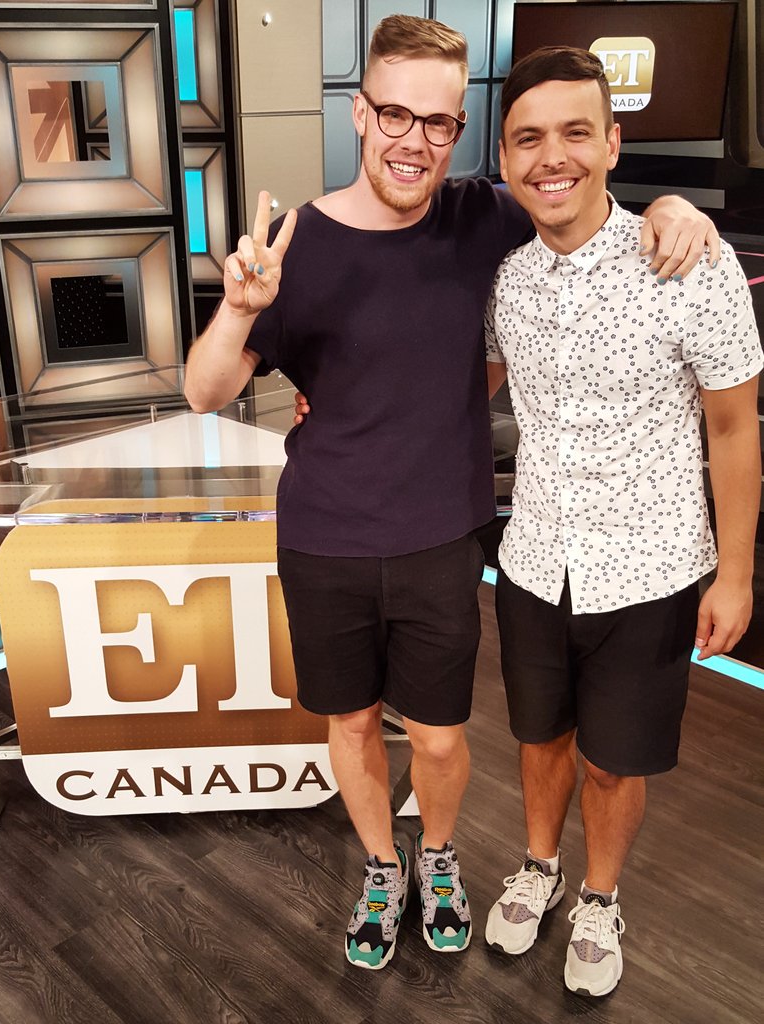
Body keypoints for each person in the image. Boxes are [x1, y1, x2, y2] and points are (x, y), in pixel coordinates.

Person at [185, 15, 720, 972]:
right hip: (323, 535)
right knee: (352, 723)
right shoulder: (294, 242)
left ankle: (437, 859)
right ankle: (381, 867)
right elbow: (203, 391)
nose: (414, 140)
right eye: (394, 114)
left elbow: (579, 197)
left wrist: (675, 207)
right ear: (360, 114)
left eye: (437, 121)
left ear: (459, 131)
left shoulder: (482, 215)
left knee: (437, 739)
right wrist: (236, 310)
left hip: (441, 535)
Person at [481, 46, 762, 997]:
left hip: (649, 568)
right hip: (532, 559)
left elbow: (733, 428)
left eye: (574, 132)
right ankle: (539, 866)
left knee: (611, 763)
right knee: (539, 739)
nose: (550, 155)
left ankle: (599, 896)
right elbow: (460, 390)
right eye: (527, 138)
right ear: (505, 157)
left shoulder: (689, 263)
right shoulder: (506, 281)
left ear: (610, 142)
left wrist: (734, 575)